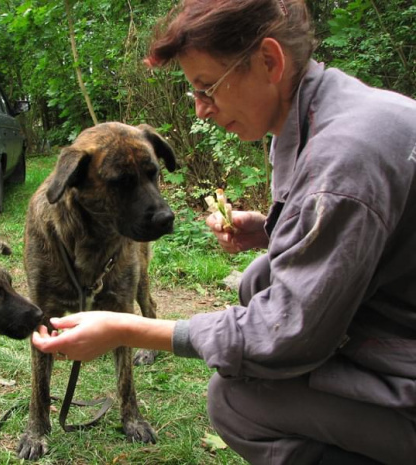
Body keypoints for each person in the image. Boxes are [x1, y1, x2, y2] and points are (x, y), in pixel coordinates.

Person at [32, 0, 416, 463]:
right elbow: (366, 232)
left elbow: (289, 329)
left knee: (234, 401)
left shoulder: (342, 161)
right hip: (397, 322)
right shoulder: (330, 116)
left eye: (207, 87)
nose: (200, 110)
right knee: (259, 277)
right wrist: (276, 230)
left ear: (270, 61)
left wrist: (130, 328)